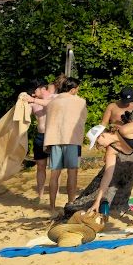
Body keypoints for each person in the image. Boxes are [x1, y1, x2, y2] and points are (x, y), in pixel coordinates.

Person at [40, 79, 87, 210]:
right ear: (73, 89)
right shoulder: (80, 102)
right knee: (72, 172)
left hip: (54, 139)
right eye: (77, 89)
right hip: (72, 139)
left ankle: (52, 206)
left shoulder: (53, 102)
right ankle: (71, 203)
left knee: (55, 173)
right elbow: (82, 119)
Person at [24, 80, 55, 204]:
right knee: (40, 166)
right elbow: (22, 113)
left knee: (55, 167)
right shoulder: (34, 102)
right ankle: (40, 195)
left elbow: (50, 104)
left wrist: (32, 100)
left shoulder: (54, 98)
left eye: (35, 91)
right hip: (40, 136)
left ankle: (55, 192)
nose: (33, 94)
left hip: (53, 136)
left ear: (42, 89)